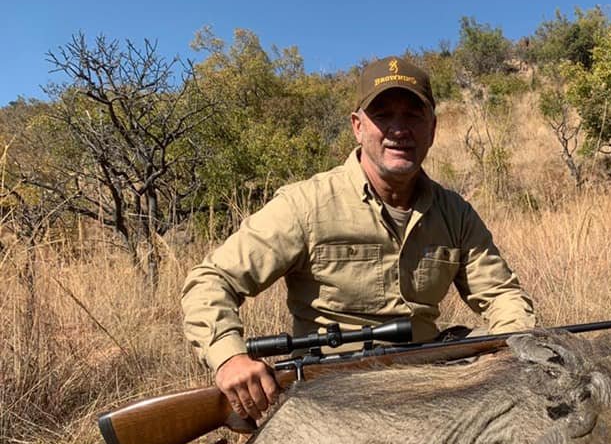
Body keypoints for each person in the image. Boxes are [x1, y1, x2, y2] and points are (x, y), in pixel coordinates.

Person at [181, 57, 536, 422]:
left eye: (413, 116)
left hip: (428, 373)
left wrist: (515, 348)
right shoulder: (306, 204)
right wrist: (231, 357)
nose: (399, 130)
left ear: (432, 128)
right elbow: (211, 280)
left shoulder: (455, 213)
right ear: (357, 126)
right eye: (383, 115)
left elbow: (501, 295)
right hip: (333, 384)